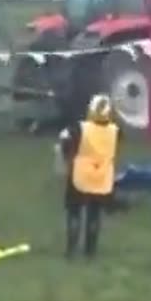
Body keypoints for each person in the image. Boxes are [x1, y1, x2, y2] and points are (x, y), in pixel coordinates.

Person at [57, 94, 120, 259]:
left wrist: (67, 157)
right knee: (94, 214)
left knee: (74, 212)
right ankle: (90, 252)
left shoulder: (80, 128)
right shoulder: (115, 131)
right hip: (102, 178)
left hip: (80, 176)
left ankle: (71, 250)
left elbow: (64, 138)